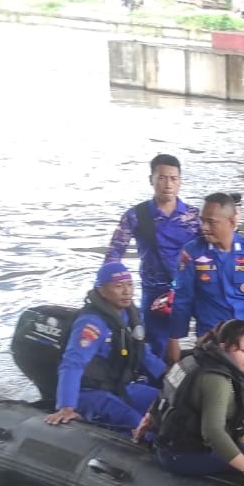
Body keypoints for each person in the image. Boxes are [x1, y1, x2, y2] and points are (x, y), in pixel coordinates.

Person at [167, 191, 244, 428]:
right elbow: (183, 299)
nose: (204, 226)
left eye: (211, 221)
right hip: (214, 338)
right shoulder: (192, 253)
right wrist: (174, 338)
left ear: (232, 222)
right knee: (219, 390)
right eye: (202, 220)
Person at [135, 320, 244, 486]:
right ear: (224, 347)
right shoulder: (218, 380)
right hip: (183, 455)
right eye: (243, 350)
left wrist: (144, 424)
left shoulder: (190, 360)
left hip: (165, 444)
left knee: (240, 446)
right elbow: (213, 432)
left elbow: (165, 394)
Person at [45, 262, 166, 431]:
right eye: (118, 286)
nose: (127, 291)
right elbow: (73, 362)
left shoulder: (132, 315)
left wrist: (170, 376)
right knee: (135, 422)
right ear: (102, 290)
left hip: (121, 386)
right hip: (89, 392)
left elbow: (142, 352)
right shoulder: (91, 324)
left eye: (130, 285)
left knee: (168, 404)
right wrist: (66, 406)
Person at [104, 153, 200, 357]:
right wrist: (112, 289)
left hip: (189, 289)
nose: (168, 184)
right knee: (156, 348)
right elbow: (114, 253)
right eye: (162, 178)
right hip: (155, 292)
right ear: (151, 180)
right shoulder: (136, 216)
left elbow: (214, 248)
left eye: (173, 178)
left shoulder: (193, 216)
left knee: (208, 338)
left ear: (180, 181)